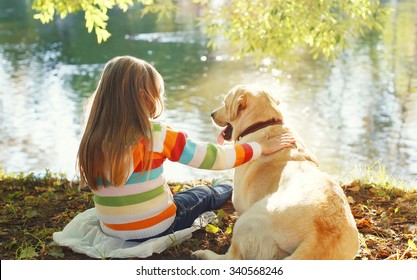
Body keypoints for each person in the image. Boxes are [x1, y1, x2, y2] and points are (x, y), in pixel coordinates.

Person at [77, 55, 295, 242]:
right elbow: (213, 158)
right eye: (158, 93)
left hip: (111, 229)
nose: (159, 99)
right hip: (157, 228)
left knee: (171, 194)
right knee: (203, 194)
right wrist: (258, 147)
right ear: (144, 96)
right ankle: (224, 187)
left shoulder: (92, 136)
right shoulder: (156, 134)